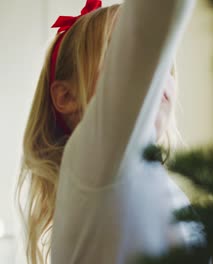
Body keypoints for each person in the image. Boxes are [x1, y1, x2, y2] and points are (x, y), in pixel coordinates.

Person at [16, 0, 196, 263]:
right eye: (122, 56)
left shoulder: (141, 176)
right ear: (66, 96)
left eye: (163, 63)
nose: (156, 74)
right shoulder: (94, 159)